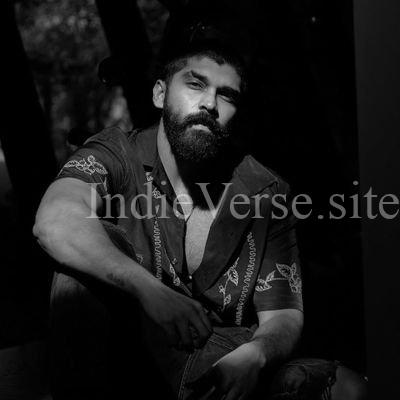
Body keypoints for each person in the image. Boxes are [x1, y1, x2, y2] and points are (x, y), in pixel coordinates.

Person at [33, 24, 367, 400]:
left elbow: (283, 316)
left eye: (226, 95)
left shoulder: (266, 192)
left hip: (223, 363)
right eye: (195, 84)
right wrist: (149, 290)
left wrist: (255, 355)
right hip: (130, 360)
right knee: (83, 260)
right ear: (160, 93)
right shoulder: (118, 154)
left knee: (347, 388)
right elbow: (55, 221)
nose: (210, 104)